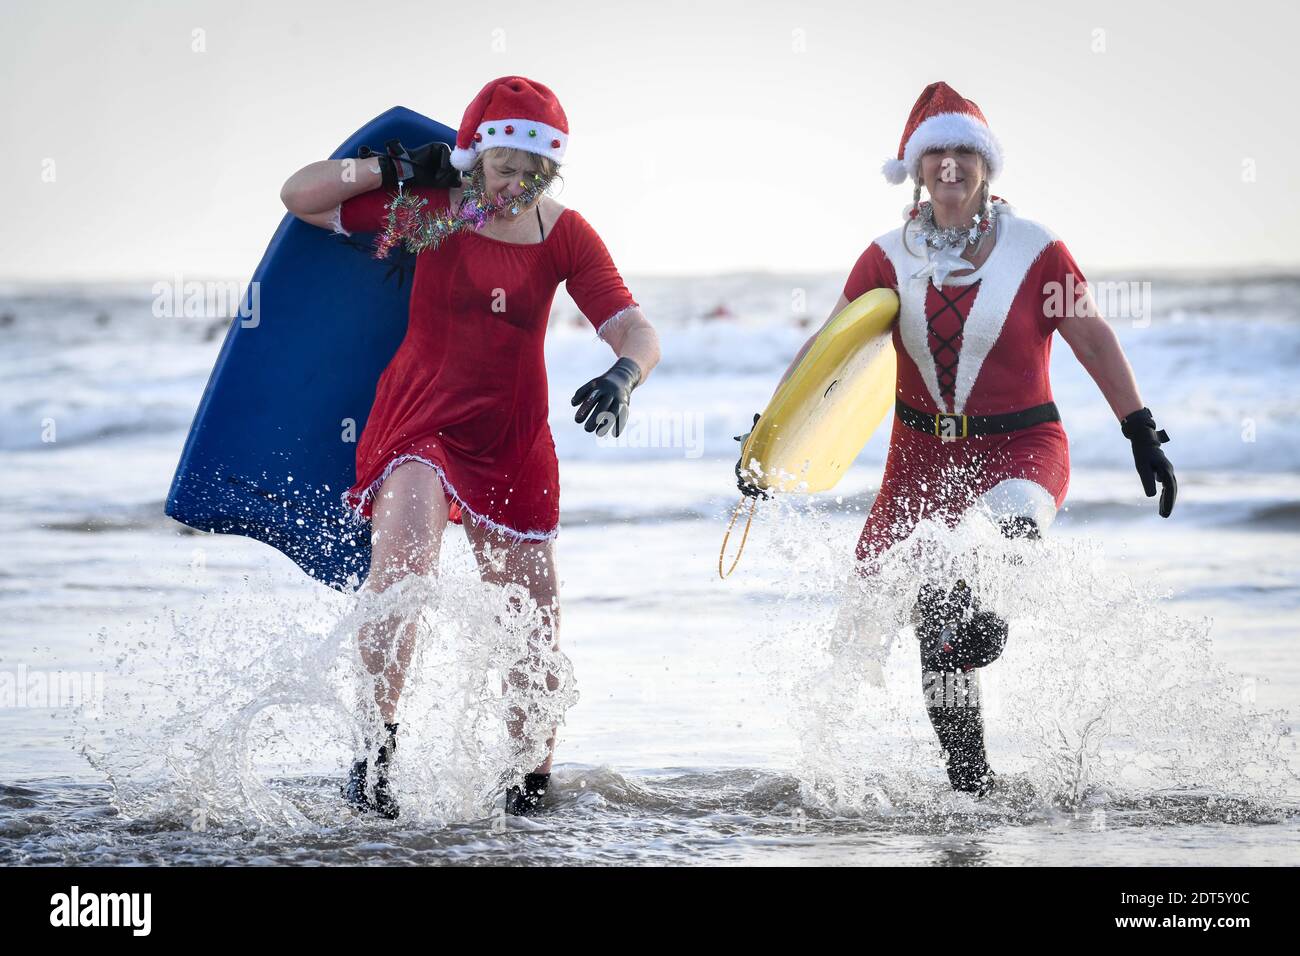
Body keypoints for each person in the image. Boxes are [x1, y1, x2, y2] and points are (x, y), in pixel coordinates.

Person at [737, 81, 1175, 796]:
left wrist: (1139, 428)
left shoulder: (1038, 250)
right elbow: (830, 349)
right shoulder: (885, 255)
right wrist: (770, 436)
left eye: (964, 152)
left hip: (1022, 447)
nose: (950, 165)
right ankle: (970, 779)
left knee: (991, 556)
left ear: (987, 166)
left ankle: (992, 619)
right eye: (935, 150)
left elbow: (1091, 337)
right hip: (918, 459)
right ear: (914, 165)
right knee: (932, 621)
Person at [280, 76, 662, 818]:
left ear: (549, 168)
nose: (515, 183)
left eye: (531, 170)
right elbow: (302, 195)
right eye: (501, 166)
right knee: (403, 576)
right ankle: (373, 762)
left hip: (512, 437)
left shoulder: (566, 234)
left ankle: (529, 783)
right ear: (476, 157)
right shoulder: (431, 210)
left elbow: (636, 330)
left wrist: (623, 374)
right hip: (419, 422)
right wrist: (391, 169)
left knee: (532, 618)